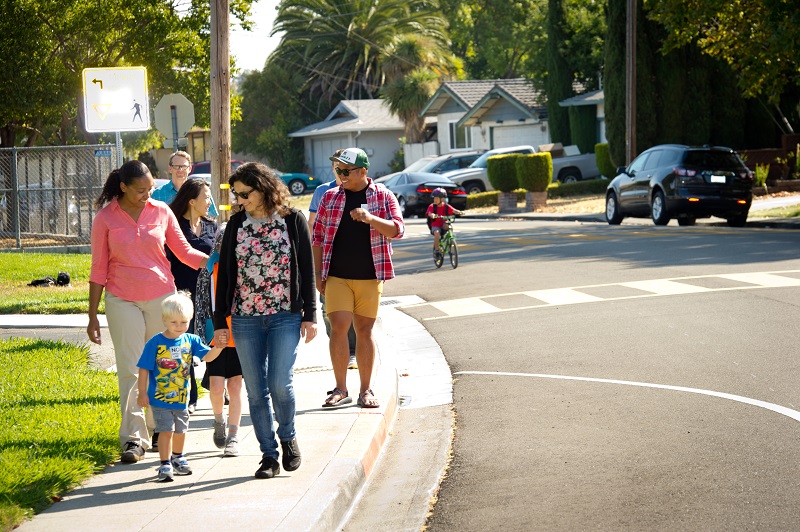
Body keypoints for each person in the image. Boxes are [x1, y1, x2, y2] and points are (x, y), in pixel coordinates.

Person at [87, 160, 209, 464]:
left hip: (161, 297)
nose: (147, 194)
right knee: (130, 368)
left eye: (151, 187)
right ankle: (133, 438)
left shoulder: (161, 211)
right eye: (141, 190)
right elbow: (98, 267)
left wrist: (217, 260)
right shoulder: (105, 218)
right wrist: (91, 316)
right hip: (121, 298)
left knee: (164, 364)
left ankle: (159, 429)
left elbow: (184, 252)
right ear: (123, 187)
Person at [213, 162, 317, 479]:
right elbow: (226, 277)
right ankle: (268, 456)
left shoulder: (292, 220)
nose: (239, 200)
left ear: (263, 188)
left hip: (285, 316)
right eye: (236, 195)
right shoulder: (235, 226)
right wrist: (220, 322)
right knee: (257, 391)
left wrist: (310, 314)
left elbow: (307, 269)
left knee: (279, 384)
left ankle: (287, 437)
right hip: (245, 320)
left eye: (245, 194)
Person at [312, 148, 404, 409]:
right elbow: (317, 238)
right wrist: (319, 274)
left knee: (364, 330)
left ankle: (366, 390)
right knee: (339, 327)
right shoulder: (329, 197)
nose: (339, 175)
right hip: (337, 275)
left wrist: (371, 218)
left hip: (370, 275)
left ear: (363, 171)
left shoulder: (383, 196)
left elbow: (398, 229)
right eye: (338, 169)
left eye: (345, 170)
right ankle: (340, 388)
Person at [136, 292, 227, 482]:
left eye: (183, 322)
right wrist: (142, 392)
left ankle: (177, 456)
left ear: (190, 319)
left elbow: (207, 356)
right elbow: (144, 368)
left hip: (182, 398)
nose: (179, 327)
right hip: (159, 397)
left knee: (181, 430)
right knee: (166, 430)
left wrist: (218, 347)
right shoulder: (155, 342)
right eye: (174, 322)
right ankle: (164, 463)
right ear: (164, 320)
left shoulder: (191, 340)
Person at [167, 177, 218, 415]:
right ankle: (191, 396)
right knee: (184, 344)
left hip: (209, 295)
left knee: (212, 341)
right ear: (191, 201)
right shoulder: (174, 226)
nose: (209, 202)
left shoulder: (212, 226)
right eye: (206, 197)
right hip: (182, 294)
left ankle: (214, 381)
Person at [195, 223, 245, 457]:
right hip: (216, 334)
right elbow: (201, 302)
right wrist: (203, 334)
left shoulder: (244, 265)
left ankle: (234, 436)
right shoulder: (209, 267)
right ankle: (218, 421)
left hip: (240, 335)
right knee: (216, 388)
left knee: (235, 387)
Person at [308, 149, 357, 370]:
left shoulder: (359, 189)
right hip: (327, 259)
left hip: (352, 261)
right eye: (336, 165)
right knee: (329, 308)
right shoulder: (322, 192)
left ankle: (353, 352)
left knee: (354, 309)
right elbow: (311, 223)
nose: (339, 169)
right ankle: (339, 348)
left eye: (344, 165)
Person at [151, 150, 219, 217]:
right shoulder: (157, 194)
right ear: (170, 168)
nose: (180, 170)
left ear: (190, 168)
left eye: (184, 166)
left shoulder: (201, 192)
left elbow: (213, 218)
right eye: (176, 166)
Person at [426, 187, 463, 259]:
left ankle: (450, 241)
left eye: (437, 198)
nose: (435, 200)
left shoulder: (446, 206)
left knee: (449, 227)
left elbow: (453, 210)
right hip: (435, 225)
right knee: (437, 233)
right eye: (434, 198)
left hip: (443, 224)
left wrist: (460, 212)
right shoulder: (432, 206)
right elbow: (429, 213)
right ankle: (437, 251)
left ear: (442, 199)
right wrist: (432, 215)